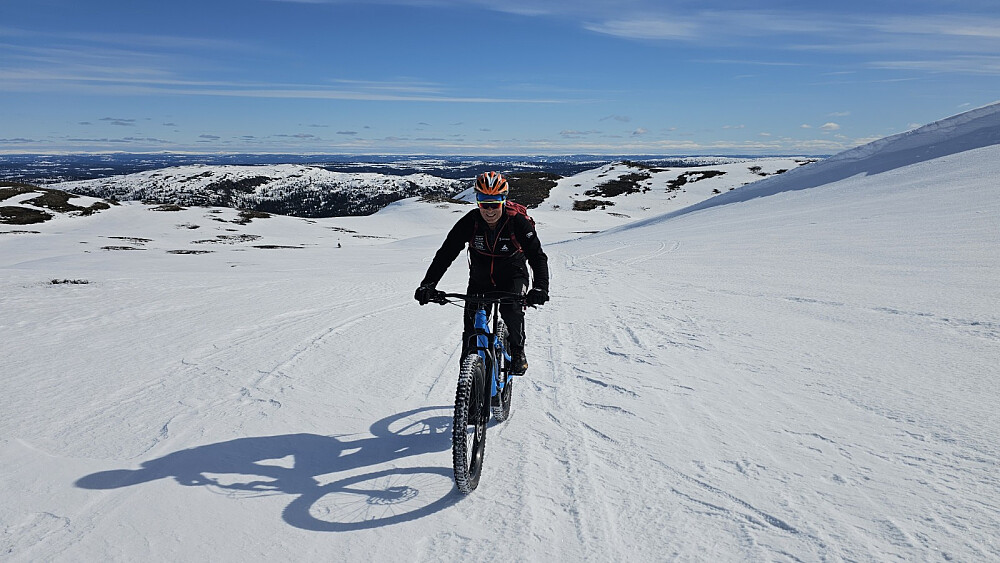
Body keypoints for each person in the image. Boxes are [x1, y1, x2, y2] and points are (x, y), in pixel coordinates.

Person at [415, 171, 549, 374]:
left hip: (513, 275)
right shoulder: (471, 221)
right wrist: (428, 284)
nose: (489, 210)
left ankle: (517, 350)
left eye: (494, 203)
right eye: (483, 203)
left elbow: (537, 256)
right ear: (477, 201)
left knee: (511, 311)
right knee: (471, 329)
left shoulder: (517, 222)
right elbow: (446, 254)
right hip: (480, 279)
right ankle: (468, 382)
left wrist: (540, 287)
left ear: (503, 200)